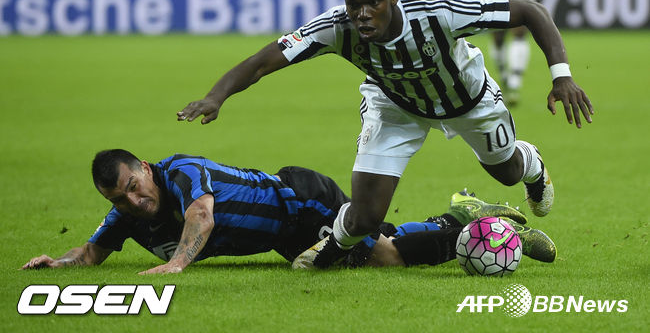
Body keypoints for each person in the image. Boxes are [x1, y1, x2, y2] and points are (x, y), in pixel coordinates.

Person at [177, 0, 592, 269]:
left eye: (372, 2)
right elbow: (263, 61)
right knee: (365, 216)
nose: (361, 14)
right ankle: (333, 247)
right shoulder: (335, 27)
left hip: (468, 100)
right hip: (395, 106)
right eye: (353, 4)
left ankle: (532, 164)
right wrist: (217, 96)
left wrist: (562, 77)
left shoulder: (437, 10)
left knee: (507, 172)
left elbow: (531, 11)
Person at [22, 149, 555, 273]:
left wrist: (177, 264)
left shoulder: (180, 171)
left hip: (298, 201)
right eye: (120, 199)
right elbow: (92, 251)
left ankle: (481, 235)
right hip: (286, 237)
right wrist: (60, 264)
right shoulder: (127, 216)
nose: (134, 201)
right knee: (380, 242)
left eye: (134, 186)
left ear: (143, 167)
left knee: (384, 255)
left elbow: (201, 215)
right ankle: (464, 214)